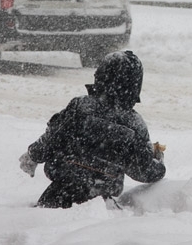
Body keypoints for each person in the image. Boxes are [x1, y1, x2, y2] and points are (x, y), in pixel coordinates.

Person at [18, 50, 166, 208]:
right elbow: (143, 171)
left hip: (60, 191)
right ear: (136, 85)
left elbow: (52, 138)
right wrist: (157, 161)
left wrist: (32, 155)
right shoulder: (135, 124)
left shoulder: (80, 106)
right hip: (100, 202)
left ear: (100, 76)